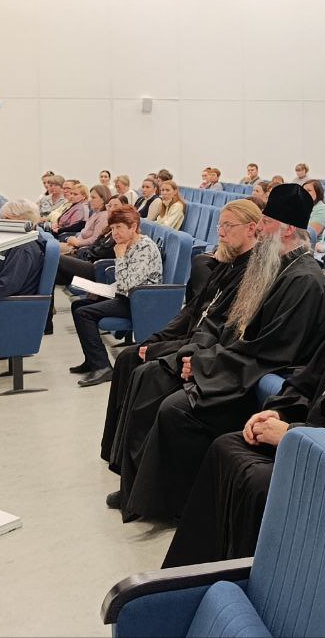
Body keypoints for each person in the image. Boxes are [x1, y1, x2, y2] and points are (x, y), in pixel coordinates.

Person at [161, 240, 325, 567]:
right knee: (225, 446)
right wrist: (278, 410)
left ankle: (243, 572)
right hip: (306, 430)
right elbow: (310, 377)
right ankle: (194, 570)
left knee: (258, 482)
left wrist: (291, 433)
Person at [107, 184, 325, 522]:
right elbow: (233, 326)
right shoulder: (275, 265)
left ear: (287, 230)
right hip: (238, 364)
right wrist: (200, 357)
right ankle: (141, 489)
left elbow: (273, 350)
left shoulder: (304, 281)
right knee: (154, 381)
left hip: (261, 378)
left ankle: (169, 504)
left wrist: (204, 364)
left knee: (175, 408)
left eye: (266, 222)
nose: (260, 229)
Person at [100, 200, 262, 469]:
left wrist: (169, 349)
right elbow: (191, 312)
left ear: (251, 228)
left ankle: (136, 470)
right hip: (191, 338)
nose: (220, 233)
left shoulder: (252, 273)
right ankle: (116, 455)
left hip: (201, 349)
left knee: (146, 374)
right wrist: (158, 338)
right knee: (128, 357)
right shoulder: (225, 264)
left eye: (227, 226)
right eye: (219, 226)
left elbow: (219, 331)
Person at [69, 206, 163, 385]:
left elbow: (128, 284)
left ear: (133, 227)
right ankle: (92, 360)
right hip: (127, 296)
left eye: (119, 227)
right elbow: (125, 282)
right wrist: (101, 290)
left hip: (141, 302)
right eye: (112, 228)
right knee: (78, 305)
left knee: (84, 313)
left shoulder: (144, 247)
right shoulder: (127, 244)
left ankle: (103, 367)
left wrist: (119, 257)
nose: (114, 233)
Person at [61, 184, 111, 253]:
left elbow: (95, 239)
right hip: (78, 243)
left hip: (83, 249)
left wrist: (77, 243)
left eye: (93, 197)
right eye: (90, 197)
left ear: (103, 200)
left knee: (53, 248)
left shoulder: (103, 216)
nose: (90, 200)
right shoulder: (96, 213)